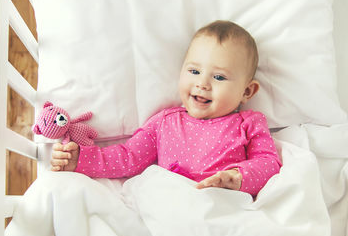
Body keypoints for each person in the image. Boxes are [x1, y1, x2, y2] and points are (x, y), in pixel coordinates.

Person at [50, 20, 282, 196]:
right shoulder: (165, 122)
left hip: (225, 204)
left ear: (247, 92)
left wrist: (236, 178)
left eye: (219, 77)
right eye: (194, 71)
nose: (202, 83)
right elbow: (128, 157)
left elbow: (268, 163)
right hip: (173, 201)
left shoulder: (249, 123)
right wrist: (80, 160)